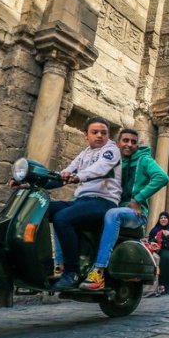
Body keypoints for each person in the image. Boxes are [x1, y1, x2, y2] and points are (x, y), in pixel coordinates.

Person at [80, 129, 169, 290]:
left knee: (113, 214)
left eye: (133, 142)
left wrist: (138, 199)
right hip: (112, 208)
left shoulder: (144, 160)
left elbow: (162, 177)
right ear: (117, 143)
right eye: (125, 141)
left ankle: (98, 271)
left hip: (134, 214)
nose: (129, 145)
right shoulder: (114, 160)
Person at [49, 117, 122, 290]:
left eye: (103, 133)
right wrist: (29, 182)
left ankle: (71, 272)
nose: (99, 136)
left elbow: (101, 168)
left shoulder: (111, 150)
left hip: (104, 201)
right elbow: (64, 174)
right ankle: (51, 262)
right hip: (82, 201)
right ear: (86, 135)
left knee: (62, 218)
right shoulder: (83, 154)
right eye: (94, 132)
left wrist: (78, 176)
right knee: (44, 209)